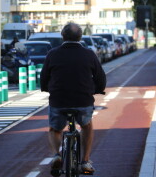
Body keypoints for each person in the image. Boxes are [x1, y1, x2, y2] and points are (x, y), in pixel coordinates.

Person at [40, 22, 106, 175]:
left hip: (58, 101)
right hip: (83, 100)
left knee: (54, 129)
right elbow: (100, 77)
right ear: (80, 37)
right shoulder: (89, 54)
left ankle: (57, 155)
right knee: (87, 126)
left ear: (63, 36)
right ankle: (85, 161)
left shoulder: (52, 54)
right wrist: (98, 90)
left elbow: (44, 78)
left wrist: (46, 88)